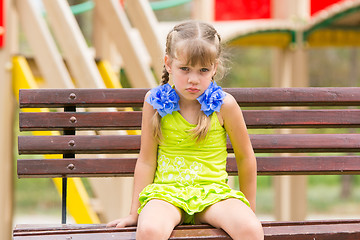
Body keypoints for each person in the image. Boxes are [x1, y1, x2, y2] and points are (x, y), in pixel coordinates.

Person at [107, 20, 264, 240]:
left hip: (213, 193)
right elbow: (146, 160)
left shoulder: (225, 105)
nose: (193, 79)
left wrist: (249, 208)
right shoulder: (155, 103)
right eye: (184, 69)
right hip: (166, 193)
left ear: (215, 68)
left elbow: (246, 157)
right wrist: (134, 213)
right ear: (168, 64)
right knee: (149, 230)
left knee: (251, 230)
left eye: (203, 70)